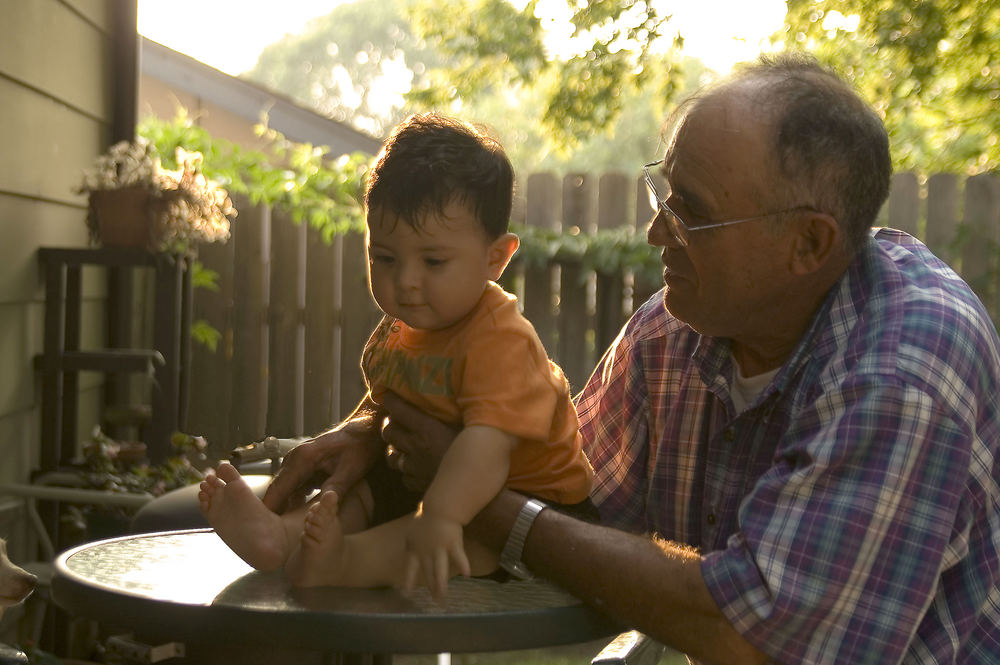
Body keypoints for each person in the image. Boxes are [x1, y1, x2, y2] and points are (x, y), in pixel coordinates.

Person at [262, 53, 1000, 664]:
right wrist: (382, 438)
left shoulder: (905, 367)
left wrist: (477, 502)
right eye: (663, 192)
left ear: (808, 243)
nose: (654, 231)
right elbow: (568, 493)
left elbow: (754, 633)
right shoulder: (678, 329)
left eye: (691, 210)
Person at [199, 113, 594, 597]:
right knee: (360, 489)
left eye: (433, 261)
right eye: (384, 258)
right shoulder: (400, 329)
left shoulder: (500, 337)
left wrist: (442, 513)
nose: (405, 280)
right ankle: (282, 536)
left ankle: (340, 564)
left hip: (524, 506)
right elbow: (379, 411)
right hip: (422, 478)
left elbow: (487, 449)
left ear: (496, 257)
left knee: (441, 535)